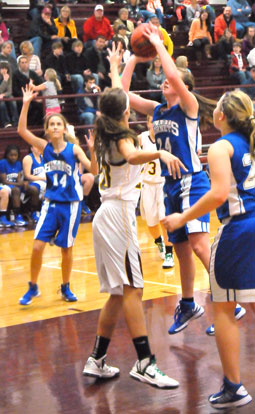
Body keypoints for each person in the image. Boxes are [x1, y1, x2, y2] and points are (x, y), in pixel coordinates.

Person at [121, 23, 245, 336]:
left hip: (192, 181)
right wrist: (135, 57)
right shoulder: (156, 109)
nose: (163, 81)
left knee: (200, 245)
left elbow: (174, 75)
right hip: (169, 186)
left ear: (181, 87)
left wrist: (157, 43)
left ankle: (232, 301)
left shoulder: (188, 108)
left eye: (168, 80)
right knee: (181, 250)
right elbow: (122, 95)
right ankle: (188, 303)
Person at [83, 44, 183, 387]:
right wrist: (159, 152)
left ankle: (97, 359)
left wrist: (120, 64)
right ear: (126, 113)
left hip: (106, 215)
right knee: (132, 290)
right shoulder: (123, 136)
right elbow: (133, 155)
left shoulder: (106, 124)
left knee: (117, 292)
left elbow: (115, 97)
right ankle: (144, 362)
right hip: (118, 216)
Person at [163, 89, 255, 409]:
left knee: (224, 308)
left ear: (221, 116)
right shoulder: (253, 142)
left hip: (239, 230)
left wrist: (182, 217)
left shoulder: (220, 146)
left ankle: (234, 387)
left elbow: (217, 195)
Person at [18, 83, 98, 305]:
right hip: (51, 203)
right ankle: (33, 287)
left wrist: (92, 151)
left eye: (58, 124)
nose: (54, 127)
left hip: (71, 204)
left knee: (66, 249)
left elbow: (95, 171)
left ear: (64, 129)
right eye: (51, 124)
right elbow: (22, 131)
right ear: (47, 129)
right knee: (36, 246)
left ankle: (65, 286)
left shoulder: (74, 149)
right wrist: (25, 104)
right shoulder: (44, 147)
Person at [139, 115, 174, 268]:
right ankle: (159, 242)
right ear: (148, 124)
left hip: (163, 184)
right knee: (151, 222)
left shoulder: (167, 138)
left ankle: (169, 253)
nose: (154, 125)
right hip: (146, 184)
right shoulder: (141, 139)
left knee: (164, 219)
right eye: (151, 122)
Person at [0, 144, 28, 226]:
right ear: (7, 155)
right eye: (11, 155)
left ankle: (24, 214)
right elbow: (4, 181)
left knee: (27, 188)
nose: (13, 157)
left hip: (14, 185)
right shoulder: (3, 162)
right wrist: (18, 184)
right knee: (16, 190)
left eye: (15, 155)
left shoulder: (18, 164)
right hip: (5, 185)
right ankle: (17, 215)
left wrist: (22, 183)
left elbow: (19, 179)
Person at [12, 55, 44, 125]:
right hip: (21, 97)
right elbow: (15, 89)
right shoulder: (15, 74)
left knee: (41, 105)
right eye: (22, 62)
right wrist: (26, 95)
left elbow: (40, 85)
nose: (24, 64)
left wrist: (37, 94)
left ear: (28, 63)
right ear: (19, 64)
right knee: (28, 106)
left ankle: (37, 125)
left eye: (25, 62)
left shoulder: (33, 73)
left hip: (34, 96)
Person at [22, 146, 46, 223]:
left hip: (44, 182)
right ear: (31, 148)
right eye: (36, 147)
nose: (39, 148)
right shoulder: (28, 158)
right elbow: (27, 176)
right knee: (35, 189)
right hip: (32, 182)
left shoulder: (43, 157)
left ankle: (46, 212)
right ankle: (34, 212)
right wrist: (41, 178)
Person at [0, 61, 19, 128]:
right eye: (2, 68)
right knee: (1, 104)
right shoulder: (5, 78)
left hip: (5, 95)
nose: (4, 70)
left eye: (6, 68)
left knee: (13, 101)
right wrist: (4, 81)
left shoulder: (8, 76)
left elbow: (9, 91)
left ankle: (16, 122)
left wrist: (3, 95)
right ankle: (6, 123)